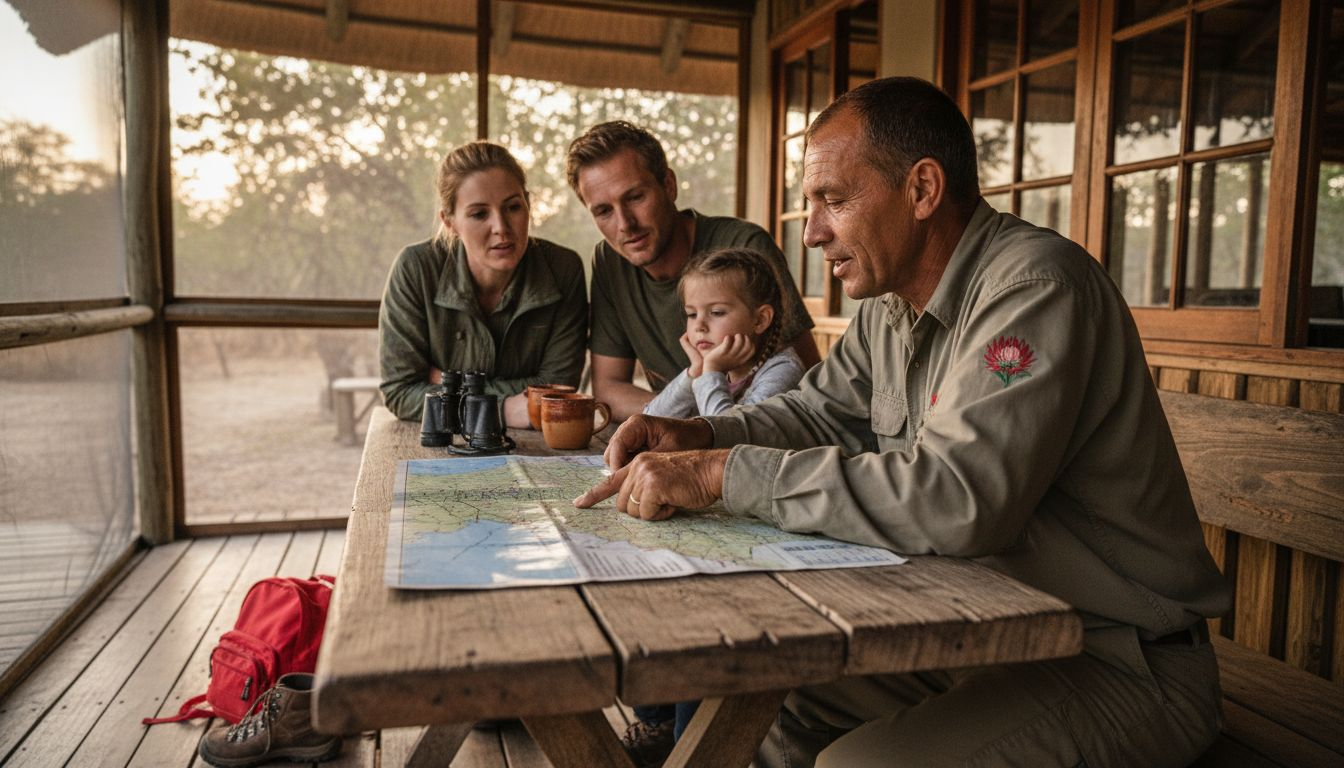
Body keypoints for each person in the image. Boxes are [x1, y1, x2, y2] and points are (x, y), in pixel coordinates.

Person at [575, 77, 1231, 768]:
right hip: (974, 632)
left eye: (833, 200)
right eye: (812, 205)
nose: (816, 231)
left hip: (1113, 657)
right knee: (763, 700)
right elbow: (816, 410)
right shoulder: (892, 310)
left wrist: (719, 473)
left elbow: (958, 498)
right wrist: (701, 435)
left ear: (921, 190)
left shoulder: (1033, 289)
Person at [565, 120, 821, 422]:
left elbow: (805, 383)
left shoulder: (742, 248)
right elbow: (608, 389)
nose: (625, 224)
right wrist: (691, 417)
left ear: (669, 185)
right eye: (604, 211)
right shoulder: (610, 261)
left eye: (635, 197)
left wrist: (697, 420)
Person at [379, 141, 587, 427]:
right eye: (479, 214)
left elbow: (558, 390)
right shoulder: (415, 268)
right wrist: (502, 410)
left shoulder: (563, 269)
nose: (501, 227)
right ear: (449, 221)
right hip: (440, 445)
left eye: (513, 207)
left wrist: (450, 384)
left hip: (539, 448)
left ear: (528, 204)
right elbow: (400, 392)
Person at [643, 246, 806, 419]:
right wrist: (695, 372)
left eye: (717, 312)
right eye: (692, 314)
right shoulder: (713, 370)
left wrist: (711, 371)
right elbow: (650, 419)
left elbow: (731, 435)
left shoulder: (782, 371)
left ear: (760, 320)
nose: (699, 325)